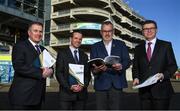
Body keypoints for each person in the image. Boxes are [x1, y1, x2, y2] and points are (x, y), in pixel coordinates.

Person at [132, 20, 178, 110]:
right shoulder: (138, 48)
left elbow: (173, 66)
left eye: (151, 28)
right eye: (145, 29)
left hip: (161, 91)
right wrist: (136, 77)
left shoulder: (166, 45)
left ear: (156, 30)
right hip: (144, 93)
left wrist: (164, 75)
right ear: (142, 31)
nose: (149, 31)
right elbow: (135, 67)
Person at [8, 22, 53, 110]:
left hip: (38, 97)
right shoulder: (20, 46)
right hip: (22, 97)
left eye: (40, 31)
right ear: (29, 32)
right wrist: (41, 73)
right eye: (35, 31)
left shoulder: (44, 50)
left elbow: (50, 66)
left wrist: (51, 71)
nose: (38, 34)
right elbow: (19, 66)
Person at [90, 21, 130, 110]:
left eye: (109, 31)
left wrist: (121, 66)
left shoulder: (121, 44)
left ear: (113, 31)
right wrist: (97, 69)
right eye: (104, 31)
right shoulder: (95, 46)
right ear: (101, 32)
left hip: (117, 83)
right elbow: (92, 66)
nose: (107, 33)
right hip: (101, 83)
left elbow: (127, 60)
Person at [55, 30, 91, 110]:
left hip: (81, 95)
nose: (78, 41)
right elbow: (59, 73)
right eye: (76, 38)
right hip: (66, 94)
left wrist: (83, 85)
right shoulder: (62, 54)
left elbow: (87, 74)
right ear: (70, 38)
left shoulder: (84, 56)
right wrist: (69, 87)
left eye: (80, 39)